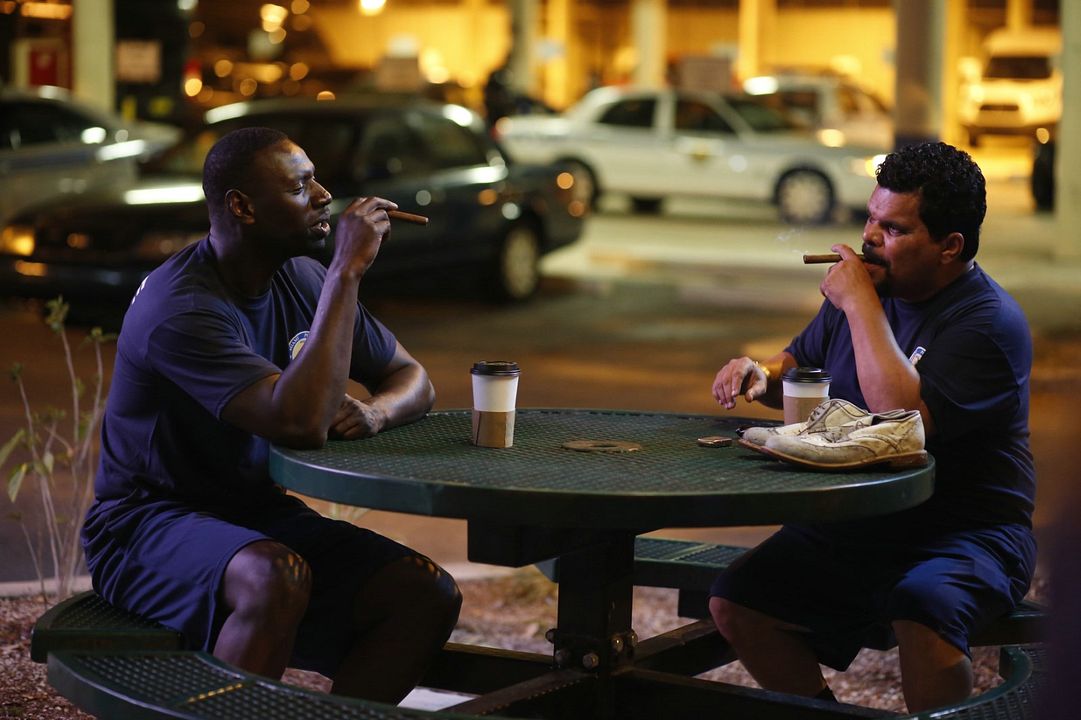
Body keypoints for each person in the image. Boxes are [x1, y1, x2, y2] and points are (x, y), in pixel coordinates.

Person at [81, 127, 461, 704]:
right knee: (276, 577)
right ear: (242, 206)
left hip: (256, 515)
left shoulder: (301, 278)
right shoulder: (182, 308)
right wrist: (346, 272)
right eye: (301, 185)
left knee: (424, 593)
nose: (324, 195)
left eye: (316, 179)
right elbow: (300, 422)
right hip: (144, 525)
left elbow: (413, 380)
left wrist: (378, 414)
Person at [708, 142, 1035, 713]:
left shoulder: (988, 323)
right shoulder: (870, 290)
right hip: (863, 521)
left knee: (922, 603)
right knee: (738, 600)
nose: (870, 238)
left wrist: (860, 305)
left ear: (949, 246)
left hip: (966, 530)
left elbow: (901, 421)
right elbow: (801, 368)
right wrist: (760, 374)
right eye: (870, 217)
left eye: (894, 228)